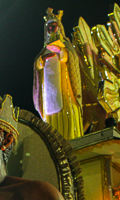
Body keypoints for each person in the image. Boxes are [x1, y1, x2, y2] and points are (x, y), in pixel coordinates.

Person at [33, 8, 83, 140]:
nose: (51, 29)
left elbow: (70, 58)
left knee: (67, 118)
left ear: (59, 28)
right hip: (49, 95)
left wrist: (60, 51)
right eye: (48, 27)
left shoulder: (65, 45)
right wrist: (42, 60)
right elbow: (37, 66)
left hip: (65, 92)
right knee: (51, 121)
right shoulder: (44, 49)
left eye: (53, 26)